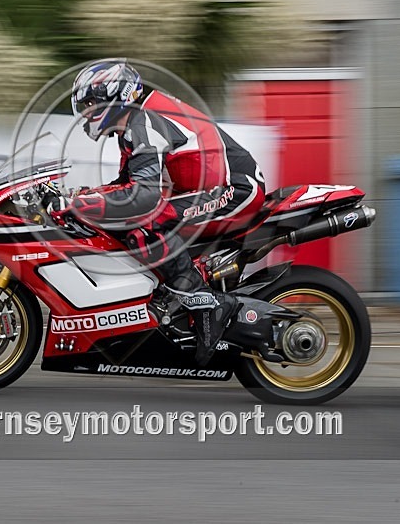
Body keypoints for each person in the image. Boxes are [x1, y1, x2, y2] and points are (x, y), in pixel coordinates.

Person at [55, 59, 266, 367]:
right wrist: (83, 196)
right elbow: (128, 184)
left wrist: (81, 204)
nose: (86, 112)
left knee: (145, 221)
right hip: (217, 190)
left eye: (90, 103)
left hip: (237, 192)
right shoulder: (136, 124)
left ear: (114, 95)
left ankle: (206, 304)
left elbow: (142, 197)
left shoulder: (145, 122)